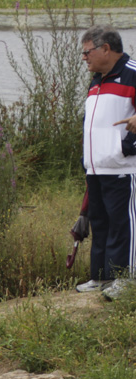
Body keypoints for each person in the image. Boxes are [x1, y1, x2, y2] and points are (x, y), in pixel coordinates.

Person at [76, 25, 136, 299]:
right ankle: (100, 278)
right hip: (96, 167)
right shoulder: (96, 81)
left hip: (124, 168)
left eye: (87, 52)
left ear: (106, 49)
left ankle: (125, 279)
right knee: (100, 223)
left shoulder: (132, 72)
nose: (84, 57)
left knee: (122, 224)